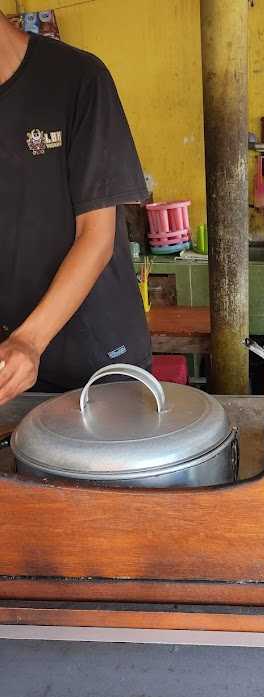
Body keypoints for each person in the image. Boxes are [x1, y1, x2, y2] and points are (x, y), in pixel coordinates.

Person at [0, 12, 151, 404]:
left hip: (97, 366)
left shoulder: (78, 79)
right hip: (11, 369)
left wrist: (29, 340)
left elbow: (96, 237)